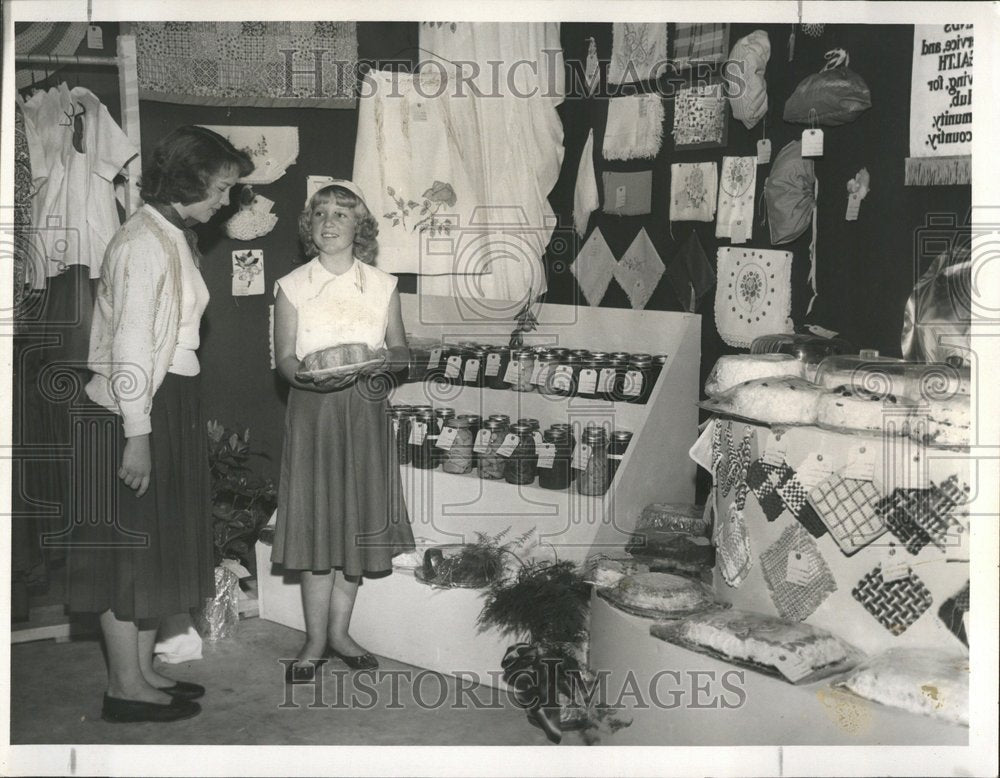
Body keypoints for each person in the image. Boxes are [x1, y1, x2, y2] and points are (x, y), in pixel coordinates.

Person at [66, 126, 253, 723]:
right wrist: (137, 435)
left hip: (160, 403)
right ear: (189, 181)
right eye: (221, 187)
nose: (226, 201)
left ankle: (142, 673)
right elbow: (128, 347)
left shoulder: (169, 233)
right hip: (134, 409)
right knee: (128, 551)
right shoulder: (143, 242)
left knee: (150, 550)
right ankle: (124, 688)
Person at [271, 181, 414, 681]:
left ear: (361, 227)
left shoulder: (383, 285)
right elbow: (285, 359)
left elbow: (400, 350)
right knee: (317, 529)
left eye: (342, 215)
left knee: (354, 524)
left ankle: (339, 633)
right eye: (320, 215)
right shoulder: (291, 286)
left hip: (365, 412)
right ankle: (313, 641)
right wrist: (306, 376)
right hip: (313, 413)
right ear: (309, 226)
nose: (329, 223)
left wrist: (381, 361)